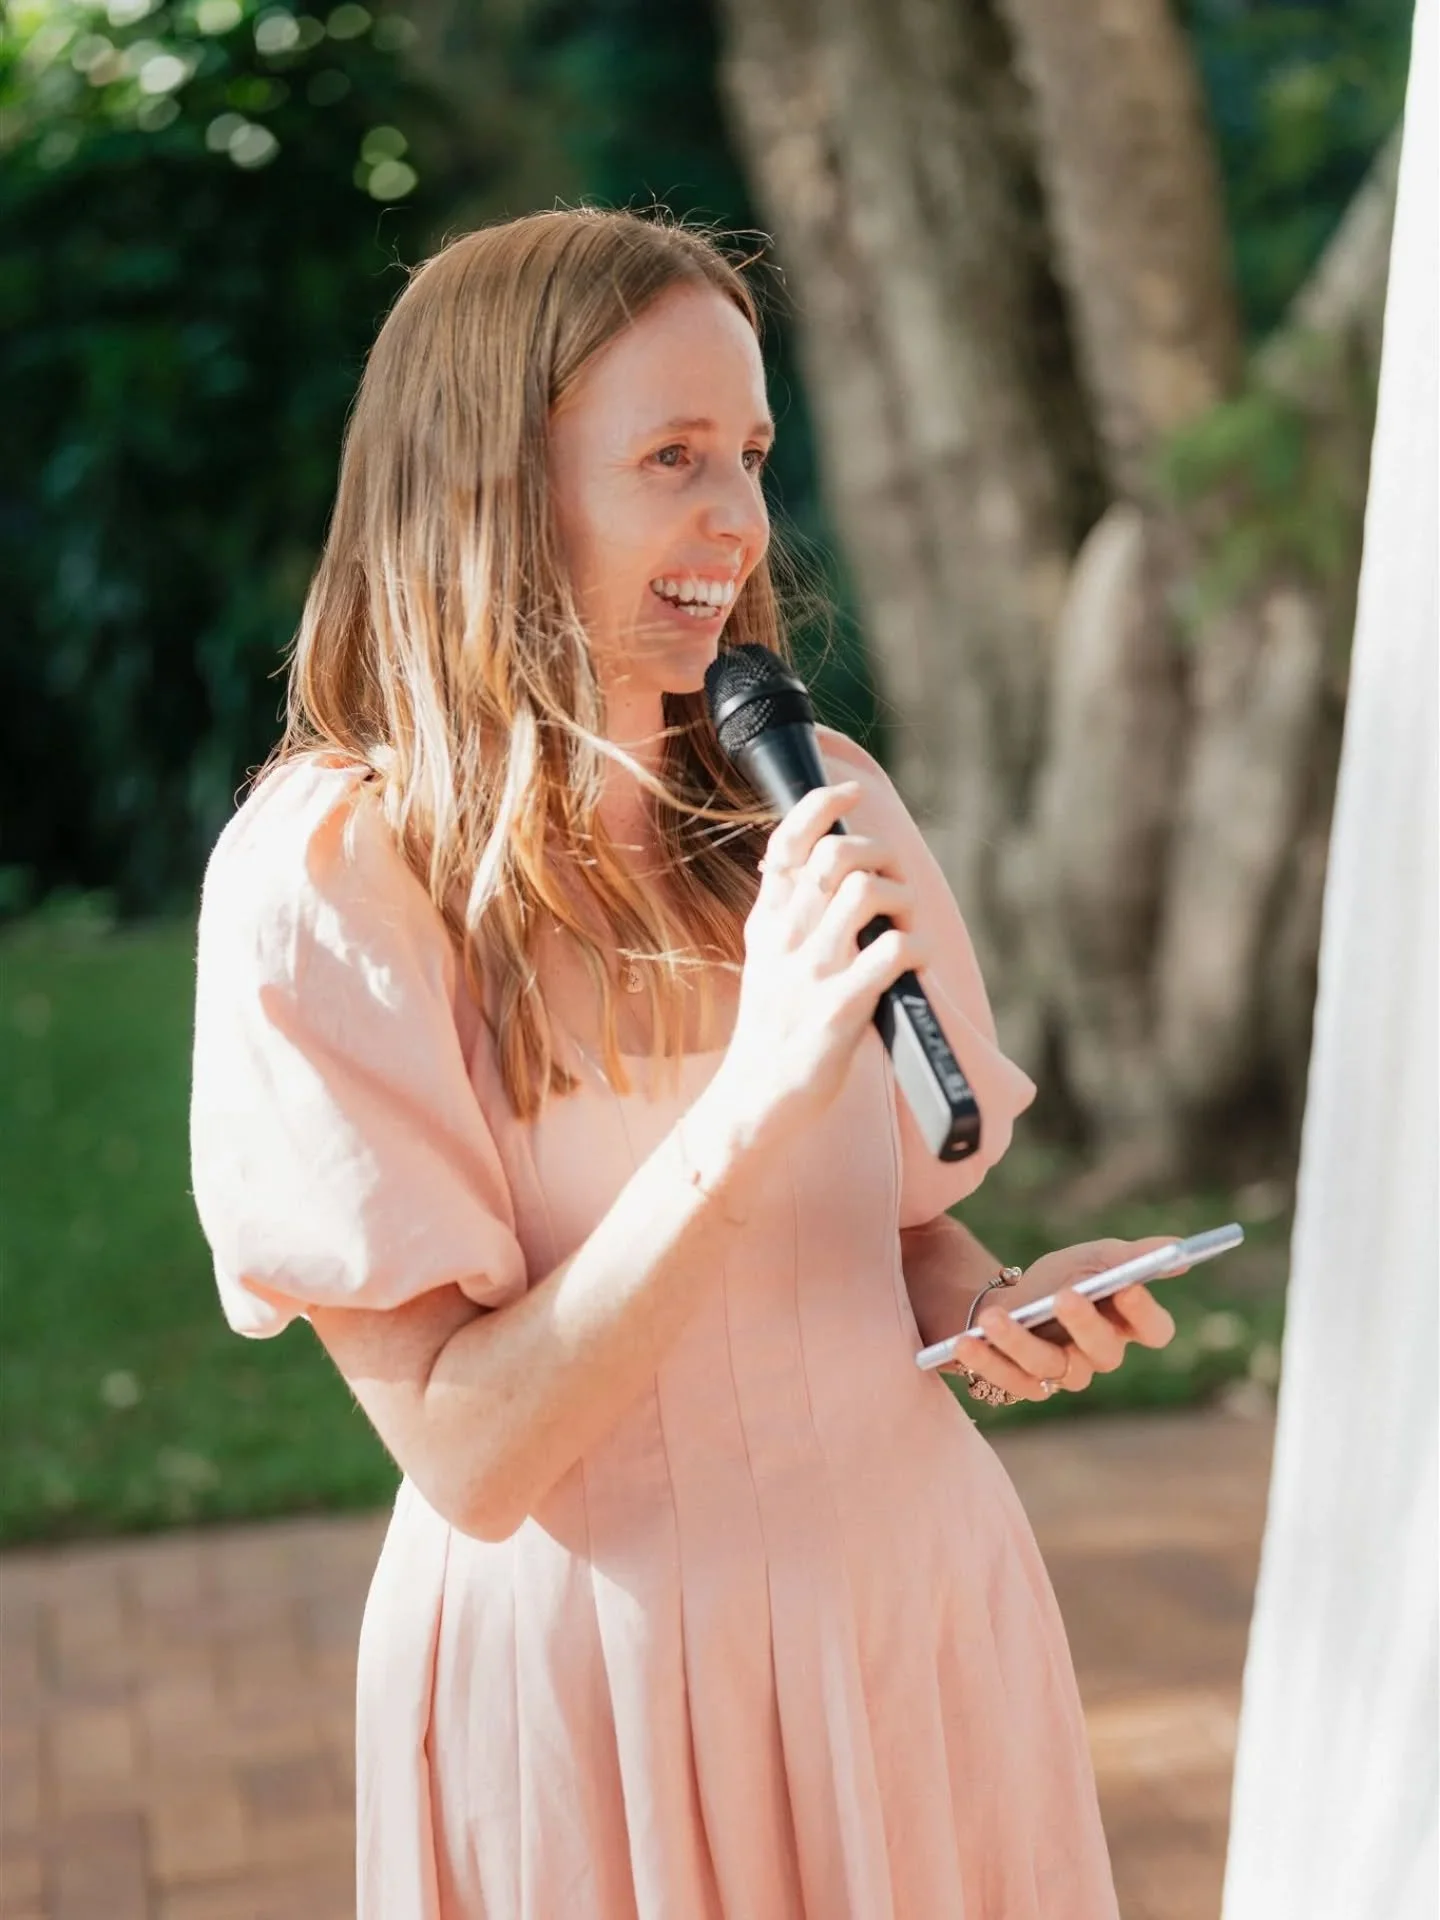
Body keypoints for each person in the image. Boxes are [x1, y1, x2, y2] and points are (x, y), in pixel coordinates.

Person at [189, 207, 1179, 1920]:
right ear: (486, 487)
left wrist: (996, 1304)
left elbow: (884, 1239)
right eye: (671, 457)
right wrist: (754, 1095)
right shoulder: (333, 879)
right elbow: (470, 1450)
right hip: (608, 1695)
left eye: (752, 453)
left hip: (912, 1632)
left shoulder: (811, 794)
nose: (740, 521)